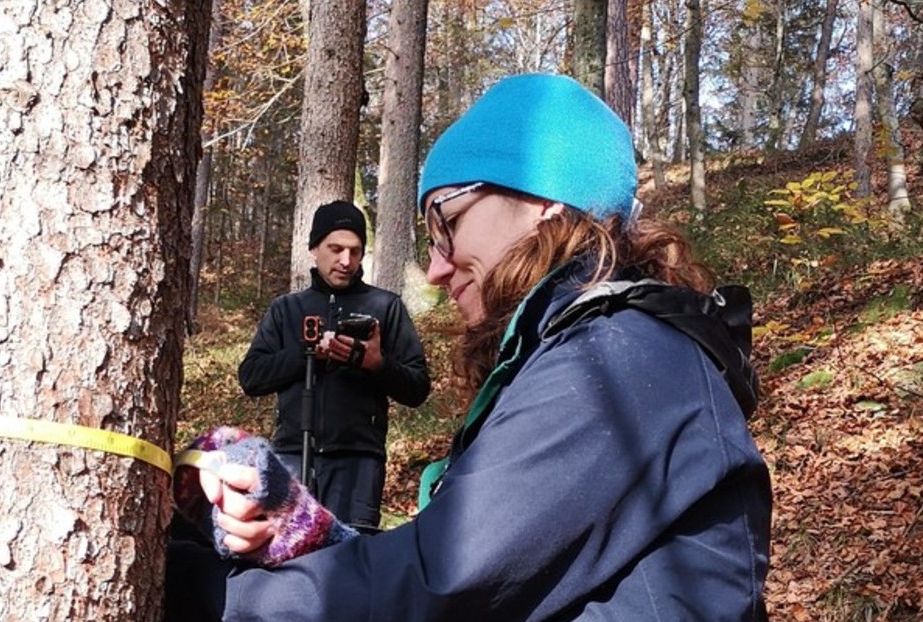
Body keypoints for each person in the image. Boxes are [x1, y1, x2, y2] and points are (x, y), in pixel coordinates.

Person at [167, 73, 771, 620]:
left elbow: (444, 583)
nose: (435, 267)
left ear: (539, 202)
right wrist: (306, 530)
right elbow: (485, 576)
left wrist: (187, 588)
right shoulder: (607, 350)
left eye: (443, 221)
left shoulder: (618, 358)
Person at [235, 200, 431, 530]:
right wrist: (307, 354)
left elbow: (417, 388)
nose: (346, 261)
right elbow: (251, 377)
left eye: (355, 251)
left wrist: (376, 364)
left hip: (358, 460)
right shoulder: (286, 309)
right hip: (293, 455)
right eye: (335, 248)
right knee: (289, 552)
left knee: (349, 561)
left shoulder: (385, 307)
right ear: (314, 248)